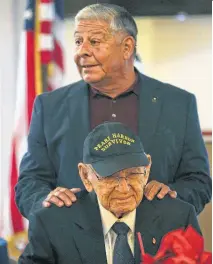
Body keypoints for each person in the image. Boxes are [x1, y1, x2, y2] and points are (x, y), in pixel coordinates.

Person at [15, 3, 211, 219]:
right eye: (78, 41)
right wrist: (45, 202)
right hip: (71, 246)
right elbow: (29, 182)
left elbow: (198, 181)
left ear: (127, 47)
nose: (82, 51)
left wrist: (173, 197)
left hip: (154, 246)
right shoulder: (49, 106)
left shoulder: (178, 104)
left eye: (95, 42)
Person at [18, 122, 201, 264]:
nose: (123, 188)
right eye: (110, 177)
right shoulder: (52, 222)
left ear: (147, 168)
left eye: (133, 173)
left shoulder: (178, 217)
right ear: (85, 176)